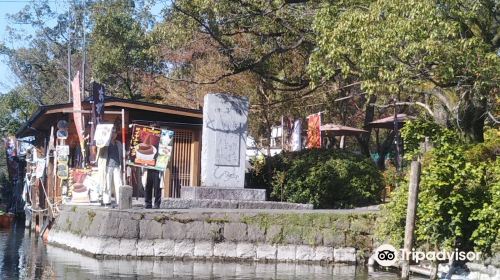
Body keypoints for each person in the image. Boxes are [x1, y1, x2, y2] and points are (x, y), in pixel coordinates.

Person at [97, 125, 123, 207]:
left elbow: (122, 153)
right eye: (112, 133)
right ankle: (106, 200)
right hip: (107, 165)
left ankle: (119, 201)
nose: (113, 135)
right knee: (107, 183)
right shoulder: (105, 143)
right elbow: (100, 152)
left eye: (114, 133)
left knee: (118, 183)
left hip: (117, 165)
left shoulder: (118, 143)